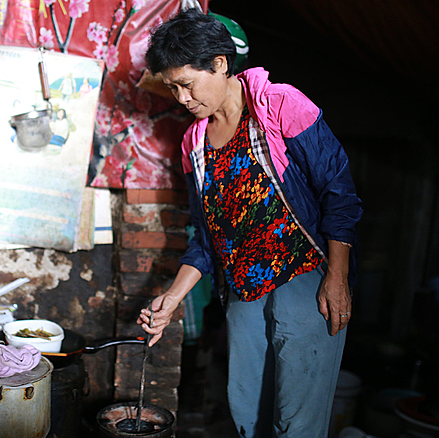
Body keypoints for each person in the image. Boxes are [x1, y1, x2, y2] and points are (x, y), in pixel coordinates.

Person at [136, 8, 363, 438]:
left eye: (187, 84)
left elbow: (340, 192)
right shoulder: (194, 143)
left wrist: (338, 275)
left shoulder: (280, 106)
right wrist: (172, 298)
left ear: (220, 64)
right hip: (242, 291)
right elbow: (204, 238)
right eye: (173, 88)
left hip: (305, 280)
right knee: (247, 414)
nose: (182, 99)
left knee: (298, 422)